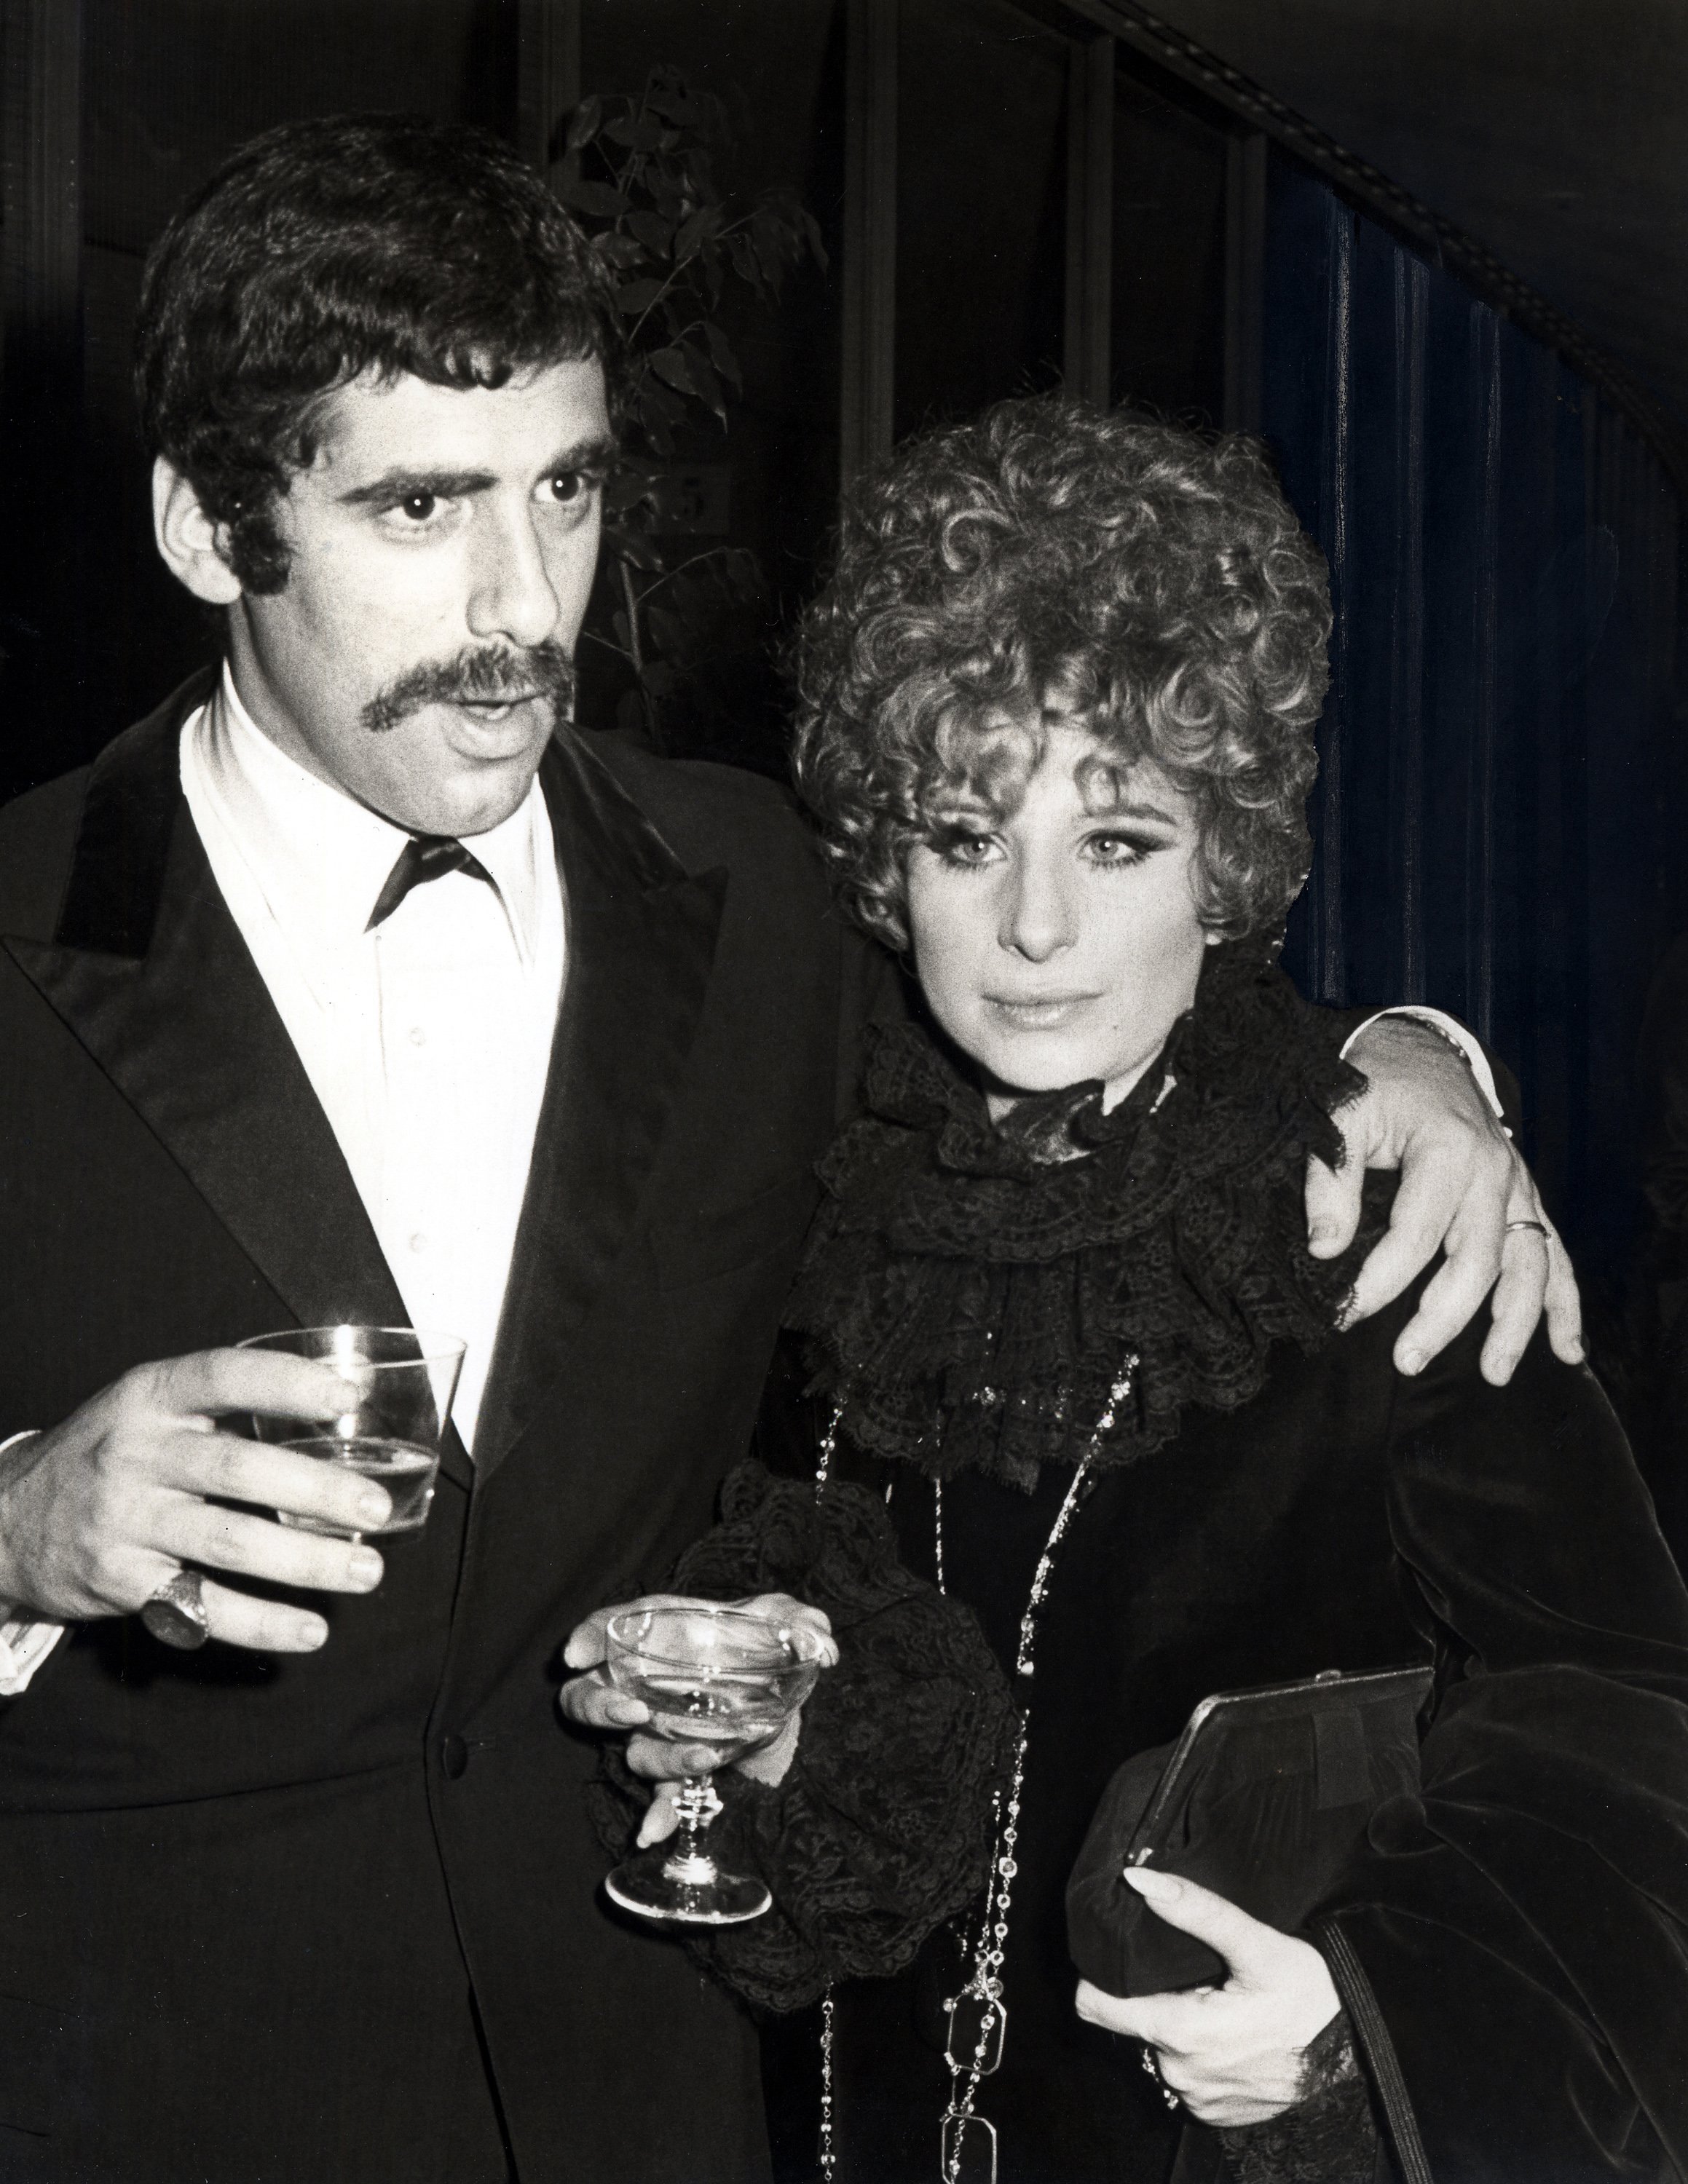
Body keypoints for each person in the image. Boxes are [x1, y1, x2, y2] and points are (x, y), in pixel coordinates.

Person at [0, 115, 1563, 2184]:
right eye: (417, 507)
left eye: (562, 491)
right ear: (209, 530)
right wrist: (16, 1530)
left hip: (652, 2101)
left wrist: (1407, 1056)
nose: (516, 605)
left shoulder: (747, 895)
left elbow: (1075, 995)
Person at [567, 401, 1688, 2183]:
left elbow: (1623, 1710)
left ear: (1224, 861)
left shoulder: (1378, 1214)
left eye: (1113, 843)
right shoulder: (810, 1207)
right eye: (962, 834)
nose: (1030, 931)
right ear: (882, 855)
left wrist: (1355, 2018)